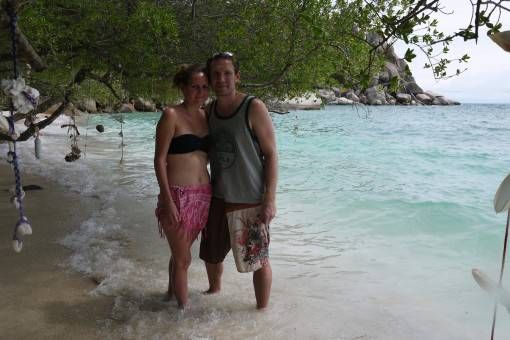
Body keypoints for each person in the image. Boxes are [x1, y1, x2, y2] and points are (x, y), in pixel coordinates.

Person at [199, 52, 278, 309]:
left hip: (249, 199)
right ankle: (213, 294)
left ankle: (261, 314)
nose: (221, 79)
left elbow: (271, 154)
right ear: (210, 80)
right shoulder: (208, 111)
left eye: (227, 73)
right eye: (216, 74)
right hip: (218, 197)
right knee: (210, 254)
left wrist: (269, 200)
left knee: (258, 260)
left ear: (237, 77)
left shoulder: (253, 107)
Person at [154, 64, 211, 309]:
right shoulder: (171, 115)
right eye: (194, 87)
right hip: (177, 195)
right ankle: (182, 317)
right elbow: (159, 159)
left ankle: (169, 295)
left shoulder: (206, 116)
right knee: (184, 258)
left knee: (180, 255)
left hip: (203, 197)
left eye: (204, 88)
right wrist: (166, 200)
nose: (200, 93)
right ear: (183, 87)